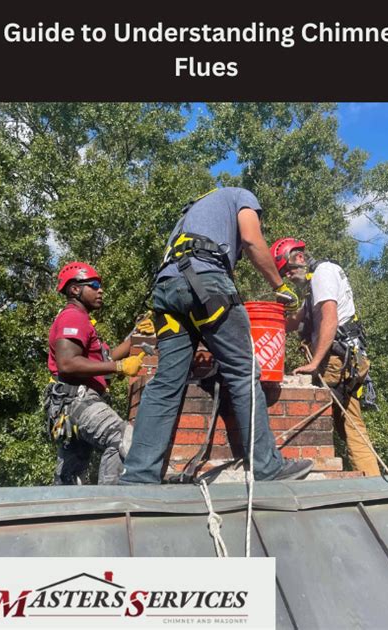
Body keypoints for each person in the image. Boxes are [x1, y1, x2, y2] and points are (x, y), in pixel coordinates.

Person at [119, 187, 313, 485]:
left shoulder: (192, 211)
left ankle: (138, 476)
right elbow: (250, 238)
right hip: (206, 282)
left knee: (166, 381)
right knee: (243, 372)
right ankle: (267, 467)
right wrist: (279, 286)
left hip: (166, 290)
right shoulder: (242, 196)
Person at [270, 238, 380, 476]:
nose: (288, 276)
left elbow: (329, 318)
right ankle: (372, 480)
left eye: (288, 270)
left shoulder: (322, 274)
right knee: (351, 424)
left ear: (300, 257)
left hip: (335, 360)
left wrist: (314, 362)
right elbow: (294, 321)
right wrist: (271, 315)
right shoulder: (316, 284)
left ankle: (312, 470)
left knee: (314, 413)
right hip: (346, 359)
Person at [45, 261, 154, 485]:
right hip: (77, 400)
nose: (100, 290)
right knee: (120, 437)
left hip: (69, 405)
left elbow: (106, 359)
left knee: (71, 475)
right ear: (75, 289)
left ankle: (66, 514)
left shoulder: (83, 321)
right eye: (94, 284)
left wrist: (134, 338)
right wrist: (120, 368)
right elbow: (67, 363)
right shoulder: (72, 317)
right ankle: (112, 505)